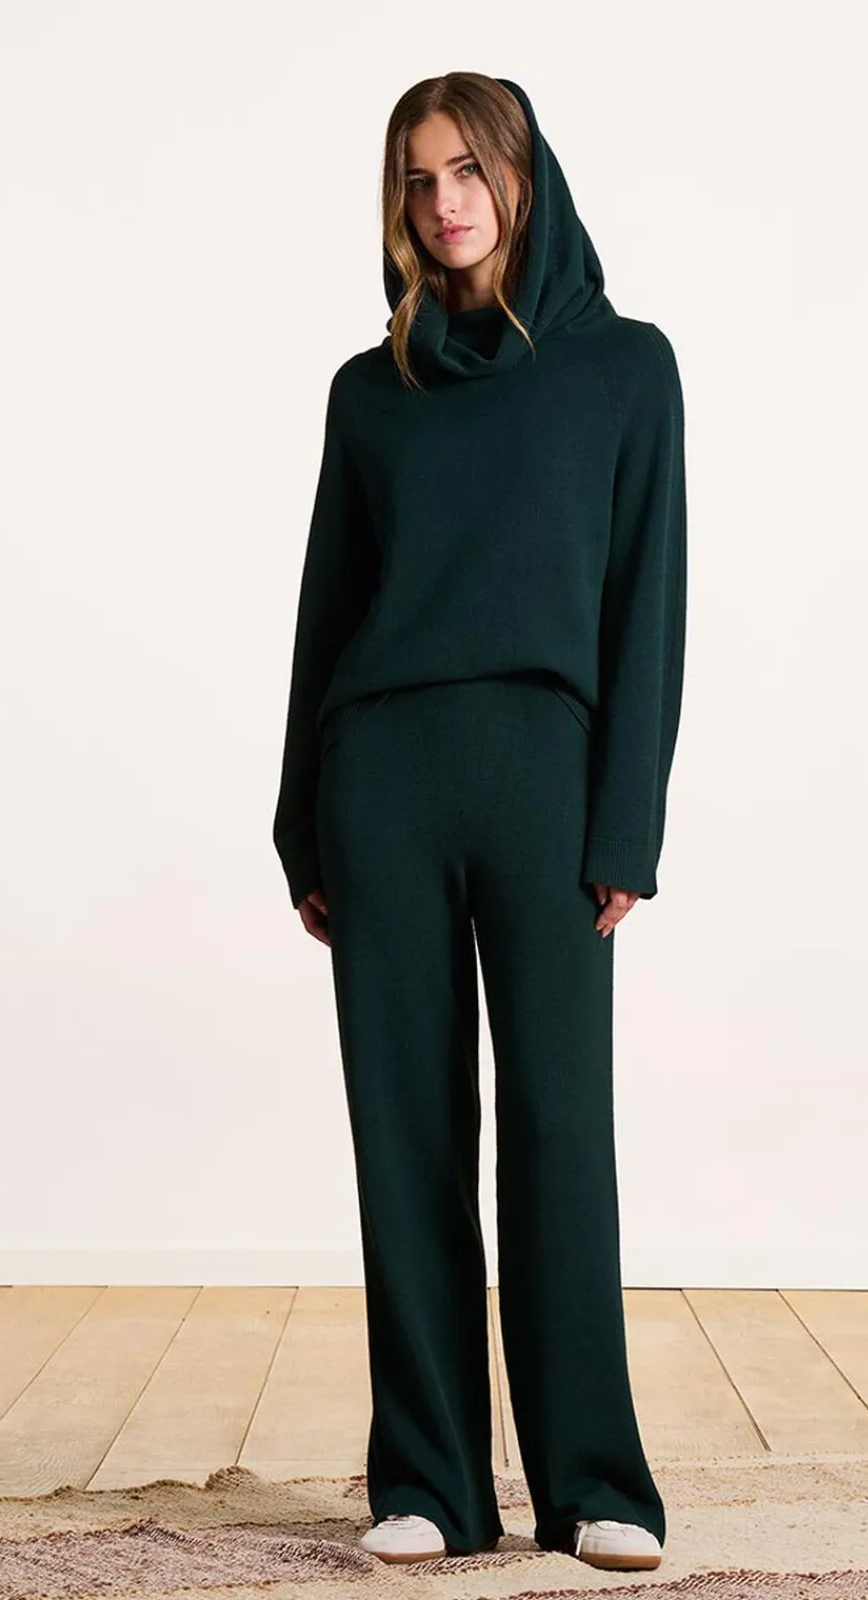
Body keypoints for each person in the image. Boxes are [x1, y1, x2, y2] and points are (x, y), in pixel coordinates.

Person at [271, 72, 686, 1573]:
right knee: (407, 1137)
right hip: (380, 778)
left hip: (544, 780)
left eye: (468, 170)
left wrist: (626, 825)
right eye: (417, 178)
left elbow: (648, 602)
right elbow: (325, 614)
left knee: (562, 1129)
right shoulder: (367, 391)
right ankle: (431, 1482)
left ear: (522, 176)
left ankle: (596, 1484)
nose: (444, 203)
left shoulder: (625, 368)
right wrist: (300, 824)